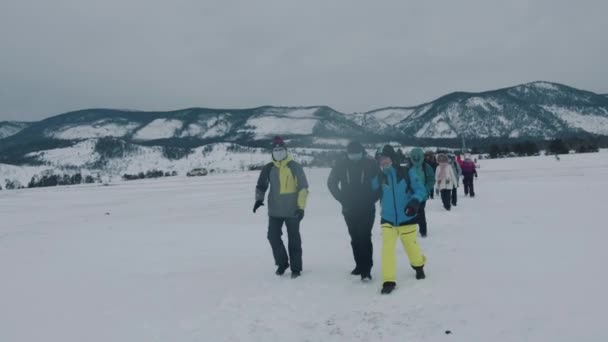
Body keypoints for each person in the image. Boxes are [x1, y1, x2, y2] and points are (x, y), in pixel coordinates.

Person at [254, 136, 309, 279]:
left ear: (286, 150)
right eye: (276, 149)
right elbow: (261, 185)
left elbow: (303, 188)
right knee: (272, 237)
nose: (278, 152)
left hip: (292, 211)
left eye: (281, 149)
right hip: (274, 210)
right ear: (272, 152)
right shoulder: (268, 168)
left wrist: (301, 207)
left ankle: (296, 268)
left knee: (294, 239)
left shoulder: (295, 166)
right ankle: (282, 263)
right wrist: (258, 199)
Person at [374, 145, 427, 294]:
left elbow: (421, 189)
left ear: (393, 158)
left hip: (407, 216)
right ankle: (388, 281)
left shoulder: (406, 172)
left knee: (411, 247)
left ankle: (419, 266)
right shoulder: (380, 176)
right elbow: (371, 191)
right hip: (387, 219)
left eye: (385, 158)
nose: (383, 161)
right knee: (387, 249)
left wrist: (415, 201)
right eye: (380, 159)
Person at [327, 141, 382, 281]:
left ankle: (366, 270)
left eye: (356, 153)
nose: (354, 155)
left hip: (367, 208)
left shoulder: (371, 164)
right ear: (347, 153)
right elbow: (331, 182)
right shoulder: (340, 164)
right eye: (351, 153)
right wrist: (341, 198)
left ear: (362, 152)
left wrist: (371, 199)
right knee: (355, 238)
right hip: (349, 208)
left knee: (364, 236)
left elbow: (379, 183)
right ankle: (358, 265)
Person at [408, 148, 436, 237]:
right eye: (414, 156)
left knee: (420, 211)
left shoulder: (426, 167)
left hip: (422, 195)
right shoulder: (408, 167)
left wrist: (426, 189)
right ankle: (409, 230)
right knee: (410, 212)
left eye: (418, 156)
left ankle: (423, 231)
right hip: (410, 195)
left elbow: (431, 179)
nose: (416, 158)